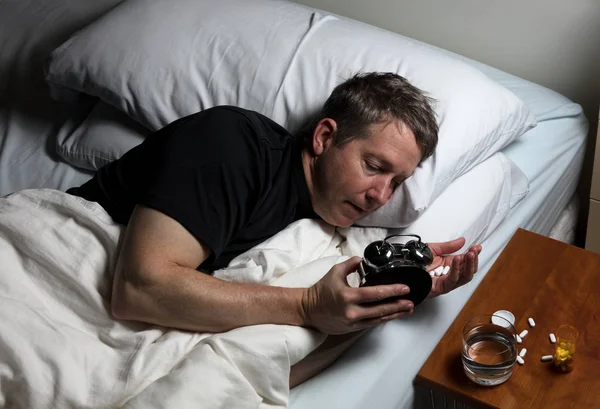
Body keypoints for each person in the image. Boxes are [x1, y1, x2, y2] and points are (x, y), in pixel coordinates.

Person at [67, 72, 481, 387]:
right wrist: (306, 306)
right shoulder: (232, 142)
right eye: (374, 167)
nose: (380, 196)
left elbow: (268, 376)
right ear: (323, 137)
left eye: (397, 183)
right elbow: (139, 289)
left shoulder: (324, 236)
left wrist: (392, 298)